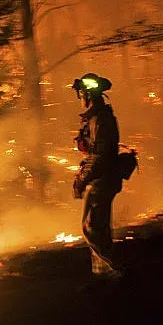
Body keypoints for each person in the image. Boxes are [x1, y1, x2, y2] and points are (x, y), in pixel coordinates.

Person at [71, 72, 123, 283]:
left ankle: (117, 270)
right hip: (102, 178)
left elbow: (99, 156)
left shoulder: (100, 119)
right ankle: (102, 277)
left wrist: (81, 180)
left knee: (91, 228)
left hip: (102, 179)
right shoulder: (97, 117)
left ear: (88, 95)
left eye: (81, 94)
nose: (80, 98)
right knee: (99, 227)